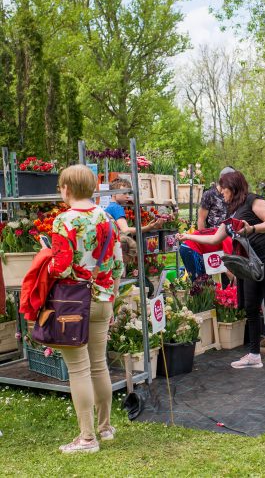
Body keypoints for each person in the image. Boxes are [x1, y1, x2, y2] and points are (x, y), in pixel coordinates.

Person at [178, 171, 265, 377]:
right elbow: (214, 239)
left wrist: (250, 229)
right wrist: (187, 236)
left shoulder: (254, 201)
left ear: (233, 188)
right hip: (249, 265)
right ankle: (254, 356)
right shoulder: (231, 213)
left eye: (223, 189)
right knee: (251, 308)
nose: (221, 193)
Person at [45, 165, 124, 453]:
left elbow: (61, 266)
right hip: (103, 299)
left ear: (67, 188)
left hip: (72, 303)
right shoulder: (107, 218)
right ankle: (105, 428)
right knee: (99, 364)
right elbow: (118, 264)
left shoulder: (63, 221)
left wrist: (45, 258)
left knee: (78, 370)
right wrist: (112, 295)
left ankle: (87, 439)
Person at [197, 166, 235, 230]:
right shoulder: (209, 194)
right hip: (213, 235)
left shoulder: (233, 193)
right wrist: (202, 237)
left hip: (231, 234)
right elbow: (201, 219)